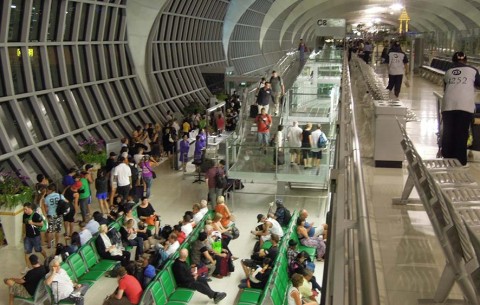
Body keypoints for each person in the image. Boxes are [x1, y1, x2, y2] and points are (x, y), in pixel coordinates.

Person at [442, 51, 480, 166]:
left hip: (448, 105)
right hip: (464, 106)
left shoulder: (448, 71)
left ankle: (447, 158)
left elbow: (445, 88)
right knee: (461, 134)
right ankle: (459, 161)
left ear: (453, 61)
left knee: (448, 132)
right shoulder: (473, 70)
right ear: (466, 61)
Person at [22, 202, 47, 268]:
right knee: (26, 251)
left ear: (30, 208)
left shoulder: (36, 215)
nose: (24, 211)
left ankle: (46, 257)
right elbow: (24, 224)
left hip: (36, 236)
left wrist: (33, 223)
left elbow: (41, 224)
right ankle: (27, 267)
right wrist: (24, 233)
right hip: (27, 237)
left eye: (26, 209)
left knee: (38, 249)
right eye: (24, 209)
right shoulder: (24, 215)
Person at [42, 183, 66, 249]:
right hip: (59, 215)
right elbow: (66, 202)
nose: (47, 192)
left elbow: (46, 209)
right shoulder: (60, 196)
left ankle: (49, 245)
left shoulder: (47, 198)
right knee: (58, 230)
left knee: (50, 231)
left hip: (50, 215)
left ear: (50, 190)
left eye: (48, 190)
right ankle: (56, 244)